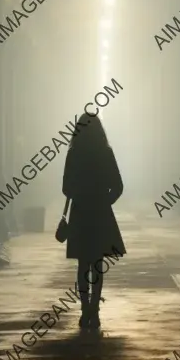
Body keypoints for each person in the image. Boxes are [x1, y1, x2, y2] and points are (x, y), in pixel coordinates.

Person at [62, 110, 125, 329]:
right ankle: (95, 311)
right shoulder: (105, 152)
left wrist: (80, 193)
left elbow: (65, 188)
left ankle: (85, 309)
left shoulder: (74, 153)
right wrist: (105, 201)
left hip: (80, 213)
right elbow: (118, 186)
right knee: (98, 264)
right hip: (99, 213)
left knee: (83, 265)